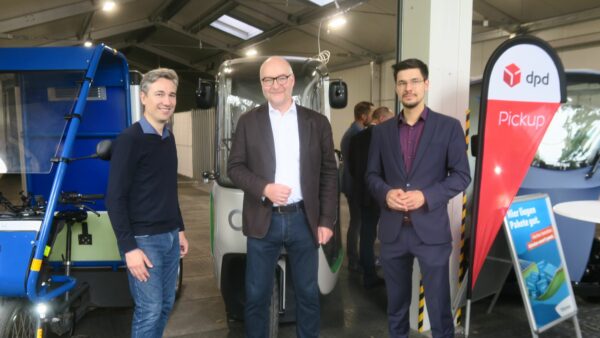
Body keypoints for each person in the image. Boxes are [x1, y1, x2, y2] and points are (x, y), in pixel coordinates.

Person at [227, 56, 337, 338]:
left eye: (281, 78)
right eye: (268, 79)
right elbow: (235, 168)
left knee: (308, 295)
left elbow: (328, 174)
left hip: (304, 220)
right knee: (256, 296)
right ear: (262, 84)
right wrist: (264, 188)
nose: (275, 85)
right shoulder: (248, 121)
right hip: (264, 220)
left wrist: (326, 220)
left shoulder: (318, 123)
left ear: (291, 81)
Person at [366, 59, 470, 338]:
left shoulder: (449, 127)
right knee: (396, 307)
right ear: (397, 88)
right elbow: (372, 175)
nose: (407, 88)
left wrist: (426, 195)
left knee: (439, 308)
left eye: (413, 81)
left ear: (426, 84)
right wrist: (385, 192)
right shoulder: (382, 132)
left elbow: (462, 175)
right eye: (402, 83)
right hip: (392, 232)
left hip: (431, 232)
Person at [106, 68, 189, 338]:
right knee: (150, 309)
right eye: (160, 94)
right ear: (143, 97)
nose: (167, 101)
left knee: (165, 305)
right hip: (144, 241)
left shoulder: (167, 137)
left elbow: (167, 189)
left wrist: (180, 228)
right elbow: (114, 198)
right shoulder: (130, 140)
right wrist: (129, 248)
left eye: (172, 95)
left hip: (169, 238)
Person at [348, 106, 394, 289]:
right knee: (389, 235)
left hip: (363, 194)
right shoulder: (387, 138)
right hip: (383, 194)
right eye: (390, 120)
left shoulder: (356, 138)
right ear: (382, 119)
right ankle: (392, 275)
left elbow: (351, 167)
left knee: (366, 235)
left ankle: (368, 275)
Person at [341, 100, 373, 271]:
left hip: (350, 182)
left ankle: (355, 257)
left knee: (356, 221)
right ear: (363, 116)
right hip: (353, 185)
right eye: (370, 114)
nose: (372, 118)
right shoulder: (357, 134)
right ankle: (353, 260)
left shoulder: (353, 130)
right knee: (356, 222)